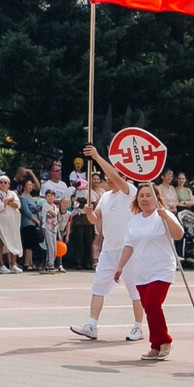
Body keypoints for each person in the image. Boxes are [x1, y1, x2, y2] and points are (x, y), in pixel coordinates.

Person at [68, 145, 148, 342]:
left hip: (128, 249)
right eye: (106, 176)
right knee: (98, 287)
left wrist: (96, 156)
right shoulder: (104, 196)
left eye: (111, 175)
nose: (107, 178)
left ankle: (138, 327)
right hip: (109, 249)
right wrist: (89, 214)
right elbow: (96, 220)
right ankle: (92, 325)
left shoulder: (130, 191)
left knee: (134, 289)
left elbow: (118, 179)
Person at [105, 179, 182, 360]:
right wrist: (120, 267)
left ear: (156, 198)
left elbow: (178, 235)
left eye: (149, 195)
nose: (145, 199)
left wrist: (166, 217)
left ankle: (165, 340)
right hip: (141, 271)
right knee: (148, 307)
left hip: (161, 269)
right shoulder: (135, 221)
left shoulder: (164, 216)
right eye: (141, 196)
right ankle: (155, 345)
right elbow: (129, 245)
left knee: (153, 304)